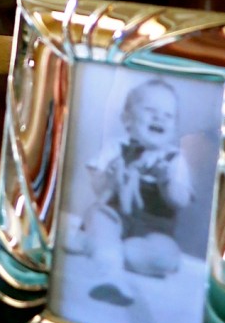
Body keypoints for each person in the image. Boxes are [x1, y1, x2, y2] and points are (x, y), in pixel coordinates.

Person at [70, 78, 194, 306]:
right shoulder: (116, 148)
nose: (159, 118)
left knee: (167, 256)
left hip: (154, 231)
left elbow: (180, 200)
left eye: (168, 116)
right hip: (115, 218)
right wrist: (110, 177)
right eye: (150, 110)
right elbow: (98, 189)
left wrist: (166, 181)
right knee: (99, 215)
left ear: (175, 128)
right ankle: (110, 275)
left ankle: (104, 248)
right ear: (127, 119)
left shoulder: (174, 160)